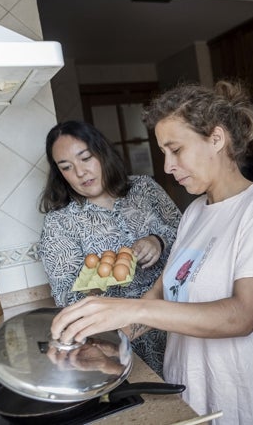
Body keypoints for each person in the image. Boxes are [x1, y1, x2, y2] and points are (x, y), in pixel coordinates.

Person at [50, 81, 253, 424]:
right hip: (189, 394)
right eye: (163, 152)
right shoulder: (196, 212)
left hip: (243, 403)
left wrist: (128, 306)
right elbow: (165, 291)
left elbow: (243, 316)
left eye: (176, 150)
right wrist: (115, 338)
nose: (167, 166)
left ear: (216, 139)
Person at [38, 120, 181, 376]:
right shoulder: (60, 222)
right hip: (123, 341)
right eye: (67, 167)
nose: (80, 172)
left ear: (102, 152)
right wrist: (99, 280)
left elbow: (189, 237)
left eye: (85, 158)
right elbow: (66, 300)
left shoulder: (145, 189)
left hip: (182, 319)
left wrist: (158, 240)